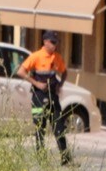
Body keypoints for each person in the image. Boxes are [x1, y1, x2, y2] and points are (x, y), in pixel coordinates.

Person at [20, 30, 71, 164]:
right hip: (39, 96)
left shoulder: (57, 57)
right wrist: (36, 83)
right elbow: (21, 71)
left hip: (53, 96)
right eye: (52, 42)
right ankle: (41, 159)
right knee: (40, 128)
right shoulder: (36, 56)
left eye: (56, 43)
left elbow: (64, 72)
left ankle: (65, 158)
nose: (55, 45)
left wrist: (61, 84)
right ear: (45, 42)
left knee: (59, 126)